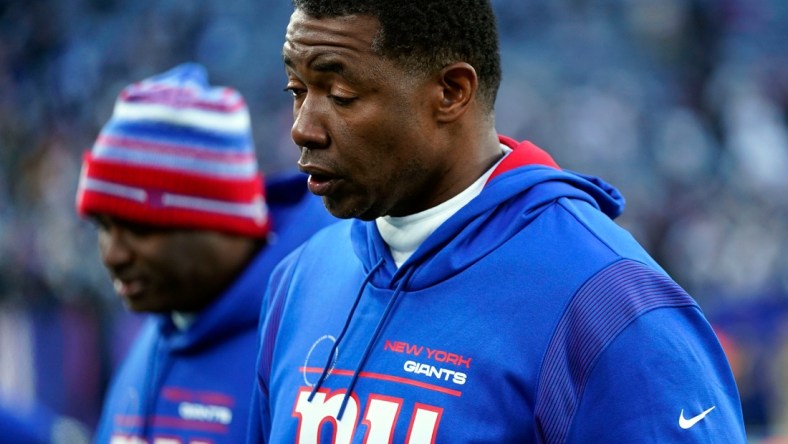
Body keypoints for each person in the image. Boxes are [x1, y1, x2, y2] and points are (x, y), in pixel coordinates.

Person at [247, 1, 748, 442]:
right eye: (297, 89)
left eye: (339, 95)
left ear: (451, 91)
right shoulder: (302, 278)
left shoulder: (608, 306)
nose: (302, 128)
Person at [75, 63, 336, 443]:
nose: (112, 255)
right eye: (103, 226)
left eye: (141, 228)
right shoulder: (155, 334)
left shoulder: (310, 340)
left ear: (223, 223)